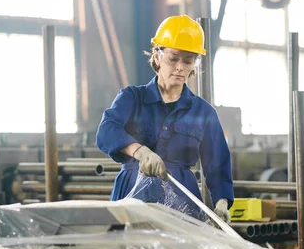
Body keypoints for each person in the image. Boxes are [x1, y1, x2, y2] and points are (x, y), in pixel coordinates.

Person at [95, 15, 234, 222]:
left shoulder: (203, 112)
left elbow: (218, 165)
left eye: (188, 61)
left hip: (181, 197)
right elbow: (106, 132)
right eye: (173, 58)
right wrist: (140, 151)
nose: (180, 67)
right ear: (158, 55)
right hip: (132, 192)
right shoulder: (132, 98)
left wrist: (221, 203)